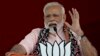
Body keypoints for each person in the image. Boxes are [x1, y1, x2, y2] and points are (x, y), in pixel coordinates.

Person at [5, 2, 98, 56]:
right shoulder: (36, 33)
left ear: (64, 18)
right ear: (44, 18)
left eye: (55, 15)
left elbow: (92, 55)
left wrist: (79, 33)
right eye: (48, 16)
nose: (51, 19)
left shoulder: (75, 35)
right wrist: (14, 52)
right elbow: (21, 47)